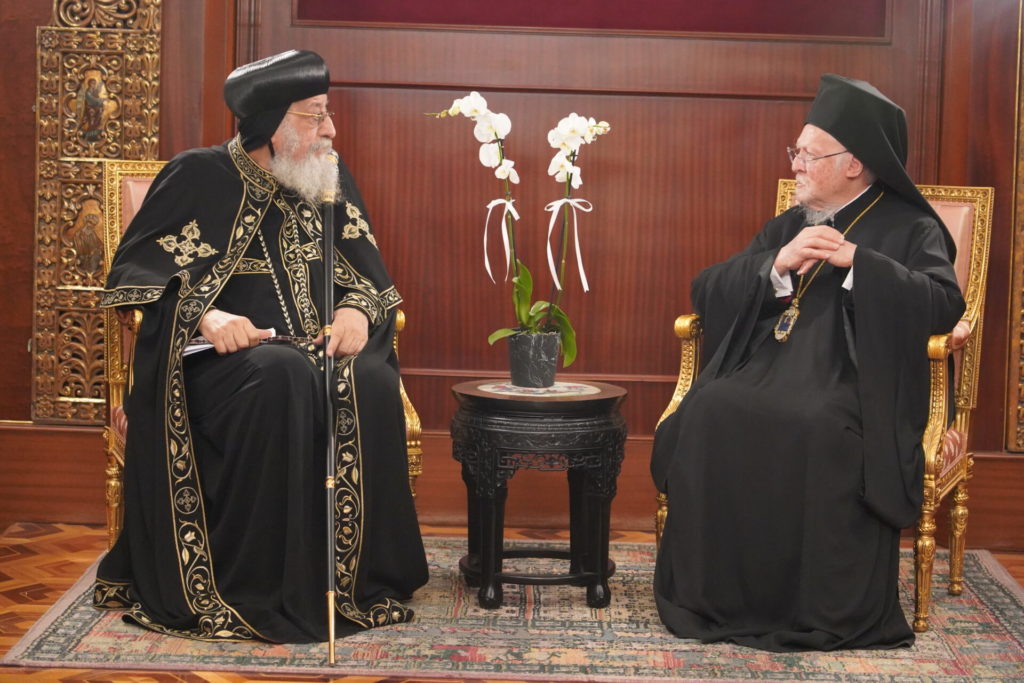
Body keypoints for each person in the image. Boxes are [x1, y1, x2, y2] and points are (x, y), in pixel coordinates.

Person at [93, 49, 428, 643]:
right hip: (217, 374)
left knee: (370, 378)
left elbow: (368, 273)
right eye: (315, 115)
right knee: (281, 373)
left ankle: (353, 578)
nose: (331, 129)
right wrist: (205, 316)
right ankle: (256, 584)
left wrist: (355, 308)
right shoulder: (196, 175)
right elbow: (133, 277)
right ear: (270, 124)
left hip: (313, 356)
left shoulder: (327, 177)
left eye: (328, 113)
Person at [650, 74, 965, 652]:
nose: (794, 165)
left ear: (854, 164)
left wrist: (861, 263)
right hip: (767, 371)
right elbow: (706, 288)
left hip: (854, 384)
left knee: (817, 425)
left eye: (807, 155)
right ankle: (716, 598)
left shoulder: (912, 226)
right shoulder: (790, 225)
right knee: (709, 409)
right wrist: (775, 264)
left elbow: (944, 304)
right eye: (794, 152)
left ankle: (813, 607)